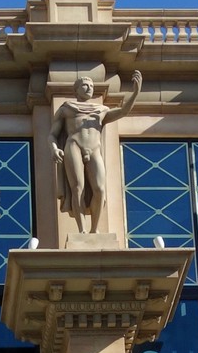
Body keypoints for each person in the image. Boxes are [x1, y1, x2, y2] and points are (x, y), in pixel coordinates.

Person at [51, 73, 141, 233]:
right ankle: (82, 230)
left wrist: (135, 93)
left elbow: (123, 112)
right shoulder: (67, 109)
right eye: (85, 85)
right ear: (76, 91)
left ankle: (94, 229)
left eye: (91, 86)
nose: (89, 88)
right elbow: (52, 134)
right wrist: (54, 148)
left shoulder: (102, 110)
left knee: (100, 189)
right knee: (78, 188)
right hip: (74, 146)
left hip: (94, 149)